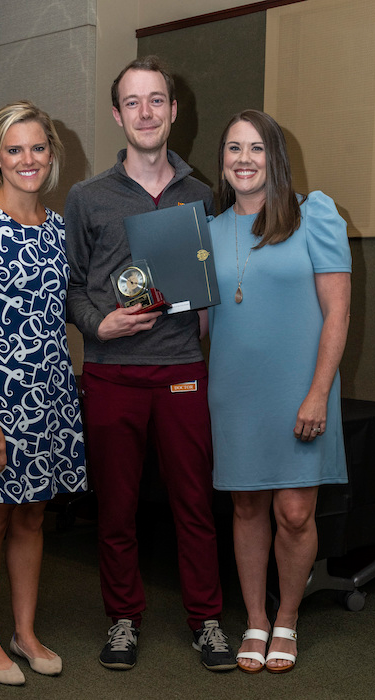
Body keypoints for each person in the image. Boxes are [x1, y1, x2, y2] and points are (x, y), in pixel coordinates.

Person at [64, 56, 235, 672]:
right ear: (117, 114)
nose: (145, 112)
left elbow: (218, 281)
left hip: (183, 368)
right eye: (133, 102)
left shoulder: (204, 195)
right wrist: (97, 323)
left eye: (156, 100)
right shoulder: (86, 198)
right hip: (113, 371)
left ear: (173, 110)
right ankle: (123, 620)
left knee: (194, 505)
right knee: (116, 506)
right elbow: (74, 286)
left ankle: (207, 621)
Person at [0, 101, 87, 685]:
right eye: (14, 148)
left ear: (51, 155)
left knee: (32, 518)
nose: (27, 159)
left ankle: (24, 632)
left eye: (38, 147)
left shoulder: (55, 228)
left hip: (50, 394)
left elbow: (67, 307)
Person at [207, 109, 351, 674]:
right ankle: (255, 620)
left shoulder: (314, 214)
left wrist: (318, 393)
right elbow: (200, 321)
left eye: (257, 148)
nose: (244, 159)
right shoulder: (208, 230)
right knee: (246, 505)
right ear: (222, 160)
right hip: (234, 391)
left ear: (276, 158)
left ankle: (286, 617)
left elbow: (337, 312)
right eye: (233, 148)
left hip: (302, 387)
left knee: (294, 512)